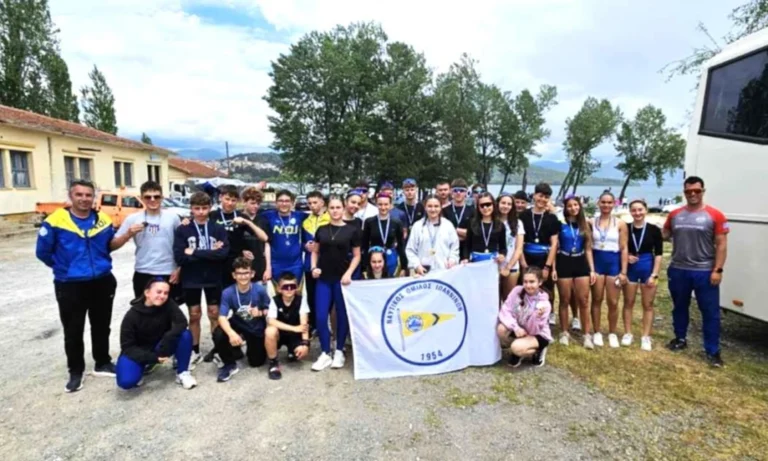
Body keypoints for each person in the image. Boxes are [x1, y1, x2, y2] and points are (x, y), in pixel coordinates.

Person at [36, 179, 118, 392]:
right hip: (70, 284)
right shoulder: (55, 221)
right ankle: (75, 371)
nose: (84, 199)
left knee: (102, 325)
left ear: (94, 197)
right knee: (73, 330)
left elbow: (108, 246)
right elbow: (43, 252)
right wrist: (63, 268)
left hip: (102, 281)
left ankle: (102, 362)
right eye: (79, 194)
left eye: (88, 195)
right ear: (70, 196)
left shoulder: (103, 220)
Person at [663, 176, 728, 367]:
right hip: (678, 269)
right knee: (679, 307)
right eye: (688, 191)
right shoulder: (675, 215)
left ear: (703, 191)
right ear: (684, 192)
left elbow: (721, 245)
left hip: (704, 271)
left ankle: (712, 351)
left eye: (696, 191)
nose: (692, 194)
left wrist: (718, 269)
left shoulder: (715, 215)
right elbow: (664, 235)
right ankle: (680, 339)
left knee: (710, 312)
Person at [173, 191, 229, 367]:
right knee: (194, 314)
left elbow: (223, 254)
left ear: (210, 208)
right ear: (191, 209)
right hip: (191, 278)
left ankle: (218, 349)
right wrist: (210, 253)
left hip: (213, 277)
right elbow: (180, 256)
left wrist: (194, 252)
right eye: (197, 208)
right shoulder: (183, 229)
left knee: (214, 313)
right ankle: (194, 350)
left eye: (204, 208)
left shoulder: (217, 228)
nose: (201, 212)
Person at [310, 196, 362, 371]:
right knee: (320, 316)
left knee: (341, 315)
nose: (335, 211)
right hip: (324, 279)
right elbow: (315, 252)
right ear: (328, 209)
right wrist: (313, 267)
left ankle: (339, 350)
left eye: (338, 207)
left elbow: (357, 256)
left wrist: (349, 273)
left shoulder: (352, 230)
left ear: (343, 208)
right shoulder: (321, 229)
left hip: (342, 280)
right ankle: (325, 352)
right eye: (332, 208)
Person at [115, 278, 196, 390]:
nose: (162, 296)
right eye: (158, 292)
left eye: (166, 293)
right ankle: (144, 366)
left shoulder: (168, 304)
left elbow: (181, 322)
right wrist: (153, 358)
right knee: (126, 382)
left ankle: (182, 372)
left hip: (161, 345)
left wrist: (168, 338)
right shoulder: (132, 315)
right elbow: (127, 347)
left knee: (185, 335)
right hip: (139, 350)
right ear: (147, 293)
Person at [111, 180, 182, 303]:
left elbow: (181, 244)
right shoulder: (132, 218)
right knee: (144, 311)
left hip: (169, 271)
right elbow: (112, 245)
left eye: (156, 196)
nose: (152, 200)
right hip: (143, 271)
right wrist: (128, 234)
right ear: (141, 198)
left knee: (170, 311)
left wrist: (179, 269)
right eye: (148, 197)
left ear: (162, 197)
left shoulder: (173, 217)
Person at [212, 258, 272, 381]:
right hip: (238, 322)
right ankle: (229, 364)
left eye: (246, 273)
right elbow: (222, 317)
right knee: (218, 333)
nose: (243, 276)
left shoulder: (260, 290)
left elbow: (270, 310)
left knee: (256, 362)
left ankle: (245, 344)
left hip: (255, 327)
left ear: (252, 274)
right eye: (239, 273)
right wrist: (231, 333)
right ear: (234, 275)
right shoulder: (228, 292)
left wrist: (260, 312)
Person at [552, 196, 597, 348]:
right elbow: (554, 247)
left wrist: (592, 270)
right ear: (565, 208)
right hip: (564, 261)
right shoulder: (560, 224)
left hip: (580, 262)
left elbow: (588, 249)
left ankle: (586, 334)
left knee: (583, 300)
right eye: (570, 206)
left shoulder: (585, 225)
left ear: (580, 206)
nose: (573, 208)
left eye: (575, 205)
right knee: (564, 299)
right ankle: (564, 332)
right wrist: (553, 268)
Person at [210, 185, 269, 289]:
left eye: (233, 200)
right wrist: (185, 221)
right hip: (217, 263)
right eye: (227, 199)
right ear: (220, 198)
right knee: (219, 297)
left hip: (236, 265)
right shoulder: (212, 215)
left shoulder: (241, 216)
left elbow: (264, 237)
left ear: (237, 201)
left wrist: (247, 222)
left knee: (238, 295)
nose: (230, 203)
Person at [622, 200, 663, 351]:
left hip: (647, 267)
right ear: (630, 212)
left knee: (648, 304)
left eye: (640, 210)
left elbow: (659, 254)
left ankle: (646, 336)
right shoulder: (626, 228)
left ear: (646, 210)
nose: (637, 213)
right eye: (634, 210)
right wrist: (627, 257)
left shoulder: (654, 230)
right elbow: (620, 248)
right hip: (631, 268)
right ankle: (628, 333)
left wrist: (654, 274)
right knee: (628, 302)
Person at [590, 192, 629, 348]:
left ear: (614, 204)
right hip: (597, 263)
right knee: (597, 299)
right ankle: (597, 331)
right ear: (598, 203)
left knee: (613, 301)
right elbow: (587, 247)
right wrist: (591, 269)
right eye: (603, 202)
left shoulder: (620, 224)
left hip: (613, 263)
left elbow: (624, 248)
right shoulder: (591, 222)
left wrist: (623, 271)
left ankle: (612, 333)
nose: (606, 205)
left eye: (609, 202)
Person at [519, 183, 559, 322]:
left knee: (546, 289)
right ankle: (526, 318)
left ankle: (547, 317)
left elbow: (554, 244)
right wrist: (524, 265)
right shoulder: (523, 215)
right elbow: (519, 242)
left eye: (546, 197)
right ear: (534, 195)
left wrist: (547, 267)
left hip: (544, 258)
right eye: (540, 196)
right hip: (527, 257)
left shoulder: (551, 218)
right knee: (526, 288)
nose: (542, 199)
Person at [497, 267, 552, 367]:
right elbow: (505, 310)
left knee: (516, 347)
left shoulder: (544, 304)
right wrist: (516, 328)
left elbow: (534, 330)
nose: (528, 285)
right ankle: (519, 347)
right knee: (501, 329)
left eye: (532, 282)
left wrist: (537, 317)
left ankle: (538, 350)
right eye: (525, 282)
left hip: (537, 334)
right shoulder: (517, 291)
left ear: (540, 282)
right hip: (520, 328)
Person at [265, 273, 311, 380]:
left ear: (297, 288)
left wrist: (305, 344)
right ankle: (273, 363)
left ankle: (292, 350)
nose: (289, 289)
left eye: (292, 286)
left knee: (300, 352)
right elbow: (271, 321)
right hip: (280, 333)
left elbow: (304, 324)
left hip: (295, 335)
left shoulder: (301, 300)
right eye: (285, 287)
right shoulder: (275, 300)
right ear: (279, 289)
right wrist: (293, 328)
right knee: (270, 331)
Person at [262, 190, 307, 291]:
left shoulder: (300, 216)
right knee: (278, 293)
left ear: (292, 202)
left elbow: (320, 217)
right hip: (275, 264)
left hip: (295, 264)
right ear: (276, 202)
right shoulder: (267, 216)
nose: (284, 204)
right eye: (281, 201)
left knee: (295, 292)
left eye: (287, 201)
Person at [406, 195, 460, 275]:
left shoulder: (448, 225)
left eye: (436, 206)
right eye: (430, 206)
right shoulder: (417, 226)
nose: (433, 209)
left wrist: (452, 260)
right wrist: (417, 265)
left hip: (444, 271)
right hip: (423, 271)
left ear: (440, 207)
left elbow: (454, 247)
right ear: (425, 207)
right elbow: (410, 249)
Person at [301, 190, 330, 332]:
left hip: (326, 263)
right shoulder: (305, 221)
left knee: (327, 296)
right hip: (309, 264)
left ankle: (329, 324)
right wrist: (305, 246)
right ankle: (314, 325)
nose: (312, 206)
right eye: (309, 203)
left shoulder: (331, 218)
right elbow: (300, 241)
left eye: (315, 202)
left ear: (322, 202)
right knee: (312, 296)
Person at [362, 192, 407, 278]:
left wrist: (403, 267)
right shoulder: (369, 222)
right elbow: (365, 245)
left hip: (391, 258)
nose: (383, 207)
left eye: (386, 204)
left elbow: (401, 245)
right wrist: (364, 267)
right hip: (375, 260)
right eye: (380, 204)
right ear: (376, 204)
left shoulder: (396, 222)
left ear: (390, 205)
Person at [464, 192, 507, 267]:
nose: (485, 208)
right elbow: (467, 245)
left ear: (493, 205)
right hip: (475, 262)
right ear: (478, 207)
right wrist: (465, 258)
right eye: (482, 205)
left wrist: (502, 255)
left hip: (493, 263)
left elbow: (503, 247)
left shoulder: (500, 225)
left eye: (488, 204)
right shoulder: (472, 223)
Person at [240, 187, 272, 284]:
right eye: (252, 203)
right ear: (244, 202)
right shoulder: (238, 218)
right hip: (242, 268)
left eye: (258, 203)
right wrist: (241, 251)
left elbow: (267, 243)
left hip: (260, 266)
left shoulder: (263, 220)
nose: (256, 206)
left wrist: (268, 268)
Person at [497, 193, 525, 299]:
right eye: (503, 203)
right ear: (497, 204)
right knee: (493, 300)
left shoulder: (518, 223)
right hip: (493, 266)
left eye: (509, 204)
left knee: (509, 300)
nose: (506, 206)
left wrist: (508, 267)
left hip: (511, 266)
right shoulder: (491, 221)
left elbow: (519, 248)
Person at [442, 178, 474, 261]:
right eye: (455, 190)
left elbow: (473, 234)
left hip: (467, 250)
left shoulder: (472, 211)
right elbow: (443, 233)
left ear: (466, 193)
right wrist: (463, 233)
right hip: (449, 250)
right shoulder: (444, 211)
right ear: (451, 192)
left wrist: (453, 230)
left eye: (461, 190)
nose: (458, 193)